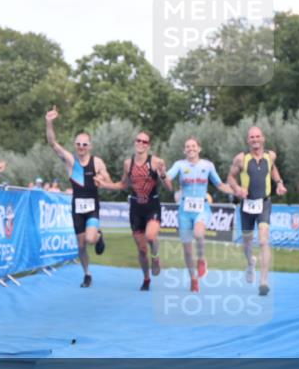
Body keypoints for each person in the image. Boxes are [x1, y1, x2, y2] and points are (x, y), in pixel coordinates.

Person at [45, 106, 111, 288]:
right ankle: (87, 274)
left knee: (90, 239)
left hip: (92, 206)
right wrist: (49, 122)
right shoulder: (70, 161)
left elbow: (108, 180)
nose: (81, 147)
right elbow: (53, 143)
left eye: (85, 144)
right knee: (81, 246)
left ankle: (98, 236)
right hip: (77, 207)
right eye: (78, 144)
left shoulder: (97, 162)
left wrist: (102, 179)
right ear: (75, 145)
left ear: (90, 146)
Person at [165, 137, 237, 292]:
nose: (190, 149)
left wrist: (238, 191)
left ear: (199, 149)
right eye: (187, 147)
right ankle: (193, 278)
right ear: (184, 150)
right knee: (187, 250)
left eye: (193, 146)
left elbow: (219, 185)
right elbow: (168, 177)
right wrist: (162, 175)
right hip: (184, 210)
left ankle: (202, 260)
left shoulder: (208, 165)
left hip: (201, 208)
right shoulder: (179, 165)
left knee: (198, 234)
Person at [101, 131, 168, 290]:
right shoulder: (127, 164)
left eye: (145, 142)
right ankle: (146, 279)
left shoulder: (156, 162)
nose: (141, 143)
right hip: (136, 209)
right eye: (139, 140)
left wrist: (164, 175)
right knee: (142, 250)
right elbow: (123, 185)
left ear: (148, 145)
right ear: (134, 142)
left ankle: (156, 257)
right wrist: (104, 184)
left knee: (151, 236)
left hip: (152, 206)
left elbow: (169, 186)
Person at [227, 126, 287, 296]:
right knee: (247, 243)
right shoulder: (241, 159)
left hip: (264, 203)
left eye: (257, 136)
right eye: (251, 137)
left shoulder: (270, 156)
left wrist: (280, 183)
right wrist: (238, 189)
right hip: (246, 205)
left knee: (263, 240)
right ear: (248, 140)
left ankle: (264, 281)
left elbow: (273, 168)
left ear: (263, 139)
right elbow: (230, 177)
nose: (255, 139)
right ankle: (250, 263)